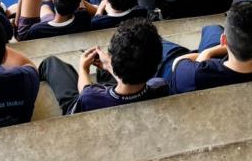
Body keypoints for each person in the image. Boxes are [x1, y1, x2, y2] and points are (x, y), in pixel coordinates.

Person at [38, 19, 168, 114]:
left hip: (83, 108)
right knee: (103, 72)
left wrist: (83, 69)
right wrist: (108, 65)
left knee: (51, 62)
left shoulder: (89, 97)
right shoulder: (160, 86)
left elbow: (85, 91)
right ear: (156, 65)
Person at [159, 0, 252, 94]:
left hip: (184, 71)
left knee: (167, 49)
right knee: (213, 28)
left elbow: (177, 63)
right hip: (219, 58)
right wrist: (209, 53)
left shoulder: (195, 75)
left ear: (223, 40)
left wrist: (206, 53)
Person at [14, 0, 91, 40]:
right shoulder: (83, 18)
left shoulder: (36, 29)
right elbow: (80, 1)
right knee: (44, 6)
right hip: (62, 25)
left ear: (53, 0)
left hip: (27, 35)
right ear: (77, 7)